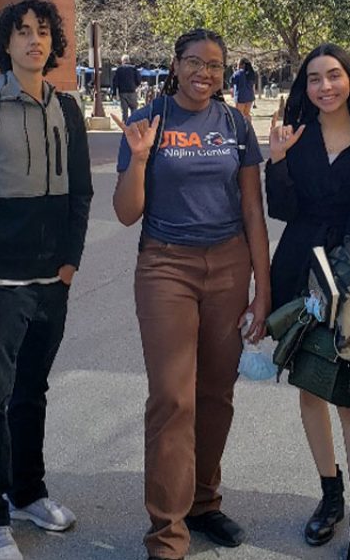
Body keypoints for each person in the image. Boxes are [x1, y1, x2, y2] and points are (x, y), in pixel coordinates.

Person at [111, 28, 271, 560]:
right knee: (172, 397)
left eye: (215, 65)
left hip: (229, 265)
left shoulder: (235, 125)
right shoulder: (149, 120)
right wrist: (138, 159)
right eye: (195, 62)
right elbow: (126, 213)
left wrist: (262, 290)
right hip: (166, 266)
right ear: (176, 65)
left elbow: (252, 210)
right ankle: (166, 532)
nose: (205, 73)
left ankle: (204, 501)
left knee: (216, 392)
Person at [0, 0, 93, 560]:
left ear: (54, 43)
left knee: (33, 393)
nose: (34, 40)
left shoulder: (69, 110)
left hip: (52, 283)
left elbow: (81, 192)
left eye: (43, 31)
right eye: (23, 31)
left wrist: (70, 260)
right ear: (5, 42)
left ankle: (27, 492)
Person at [265, 44, 350, 559]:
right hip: (300, 272)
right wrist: (277, 160)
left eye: (334, 75)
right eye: (314, 78)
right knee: (312, 388)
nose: (325, 86)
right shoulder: (296, 136)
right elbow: (282, 209)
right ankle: (330, 493)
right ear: (305, 87)